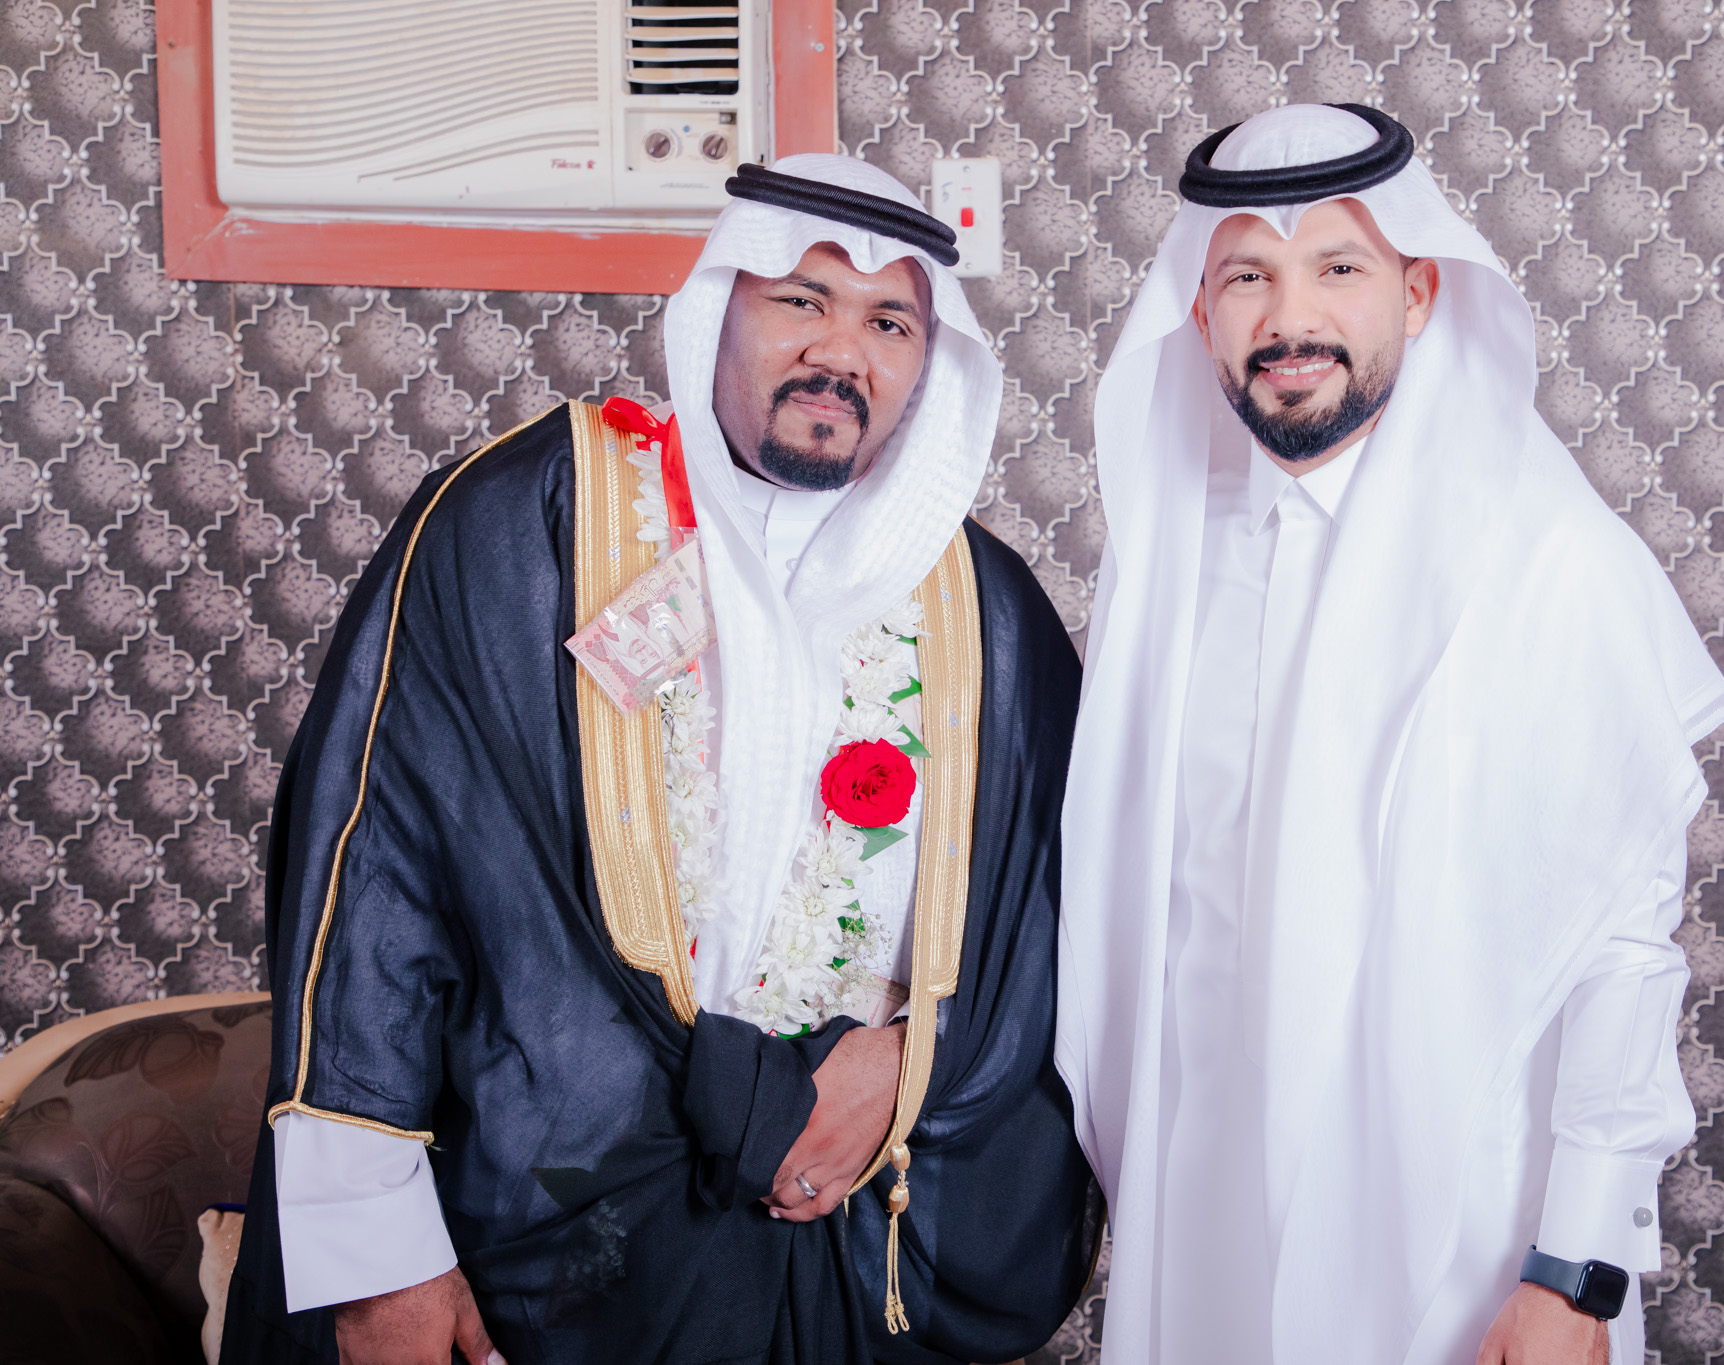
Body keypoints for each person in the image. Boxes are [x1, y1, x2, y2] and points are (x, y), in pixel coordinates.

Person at [221, 154, 1098, 1365]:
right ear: (717, 308)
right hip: (548, 1228)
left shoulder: (984, 610)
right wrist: (381, 1261)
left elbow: (1053, 930)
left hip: (841, 1223)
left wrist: (911, 1062)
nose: (839, 352)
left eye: (887, 323)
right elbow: (376, 878)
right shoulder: (525, 526)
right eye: (800, 300)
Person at [1055, 104, 1724, 1365]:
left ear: (1418, 295)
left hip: (1462, 1238)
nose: (1288, 319)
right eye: (1246, 277)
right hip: (1206, 1216)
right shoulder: (1174, 569)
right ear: (1198, 312)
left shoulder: (1545, 562)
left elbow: (1621, 947)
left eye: (1337, 268)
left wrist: (1572, 1273)